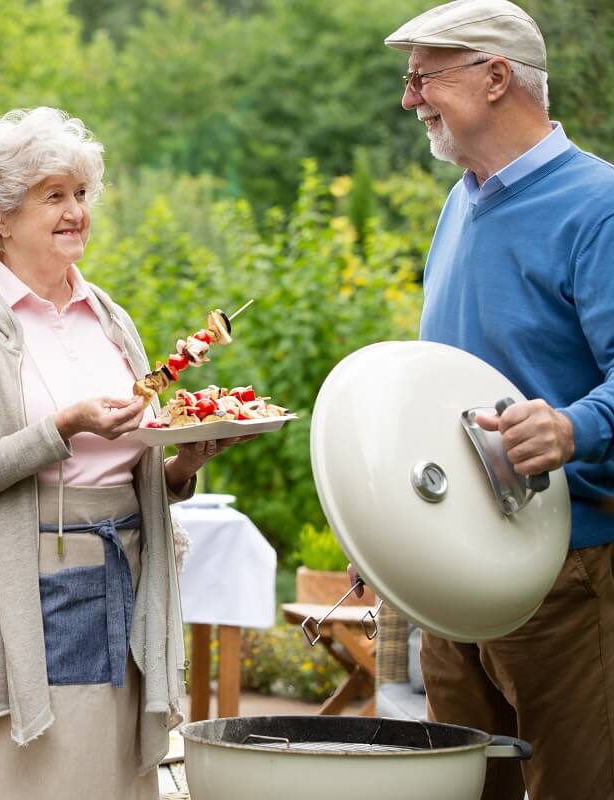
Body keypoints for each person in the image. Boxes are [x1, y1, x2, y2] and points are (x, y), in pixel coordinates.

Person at [0, 107, 250, 799]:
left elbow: (127, 467)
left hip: (124, 578)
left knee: (102, 776)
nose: (75, 211)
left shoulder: (108, 315)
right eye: (52, 195)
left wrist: (181, 466)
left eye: (81, 194)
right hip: (14, 589)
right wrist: (61, 427)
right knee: (16, 775)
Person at [354, 2, 614, 797]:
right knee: (458, 788)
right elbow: (444, 385)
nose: (410, 100)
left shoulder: (597, 206)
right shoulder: (460, 201)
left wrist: (573, 426)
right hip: (448, 569)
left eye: (424, 77)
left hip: (562, 578)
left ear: (495, 77)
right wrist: (382, 523)